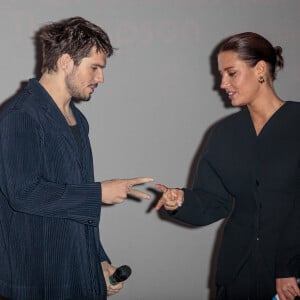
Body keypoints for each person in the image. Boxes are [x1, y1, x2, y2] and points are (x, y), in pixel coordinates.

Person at [0, 16, 153, 300]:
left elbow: (76, 206)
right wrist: (99, 193)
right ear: (66, 62)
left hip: (77, 277)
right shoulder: (21, 115)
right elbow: (23, 193)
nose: (101, 78)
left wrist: (99, 260)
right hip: (38, 284)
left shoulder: (78, 120)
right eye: (94, 68)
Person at [155, 32, 300, 300]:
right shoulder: (223, 134)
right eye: (221, 74)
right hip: (237, 276)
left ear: (260, 69)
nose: (223, 83)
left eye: (231, 73)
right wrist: (180, 201)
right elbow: (213, 201)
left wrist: (287, 266)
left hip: (290, 280)